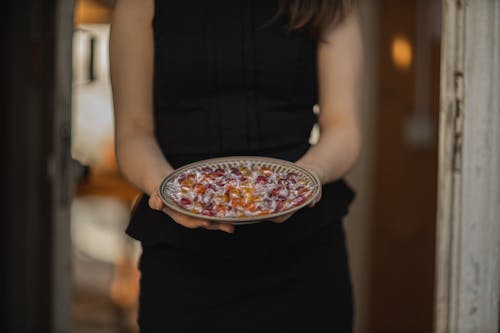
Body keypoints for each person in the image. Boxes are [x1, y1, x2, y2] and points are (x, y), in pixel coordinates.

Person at [110, 0, 362, 331]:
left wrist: (303, 180)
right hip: (182, 264)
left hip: (304, 260)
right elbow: (134, 133)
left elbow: (343, 127)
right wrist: (166, 189)